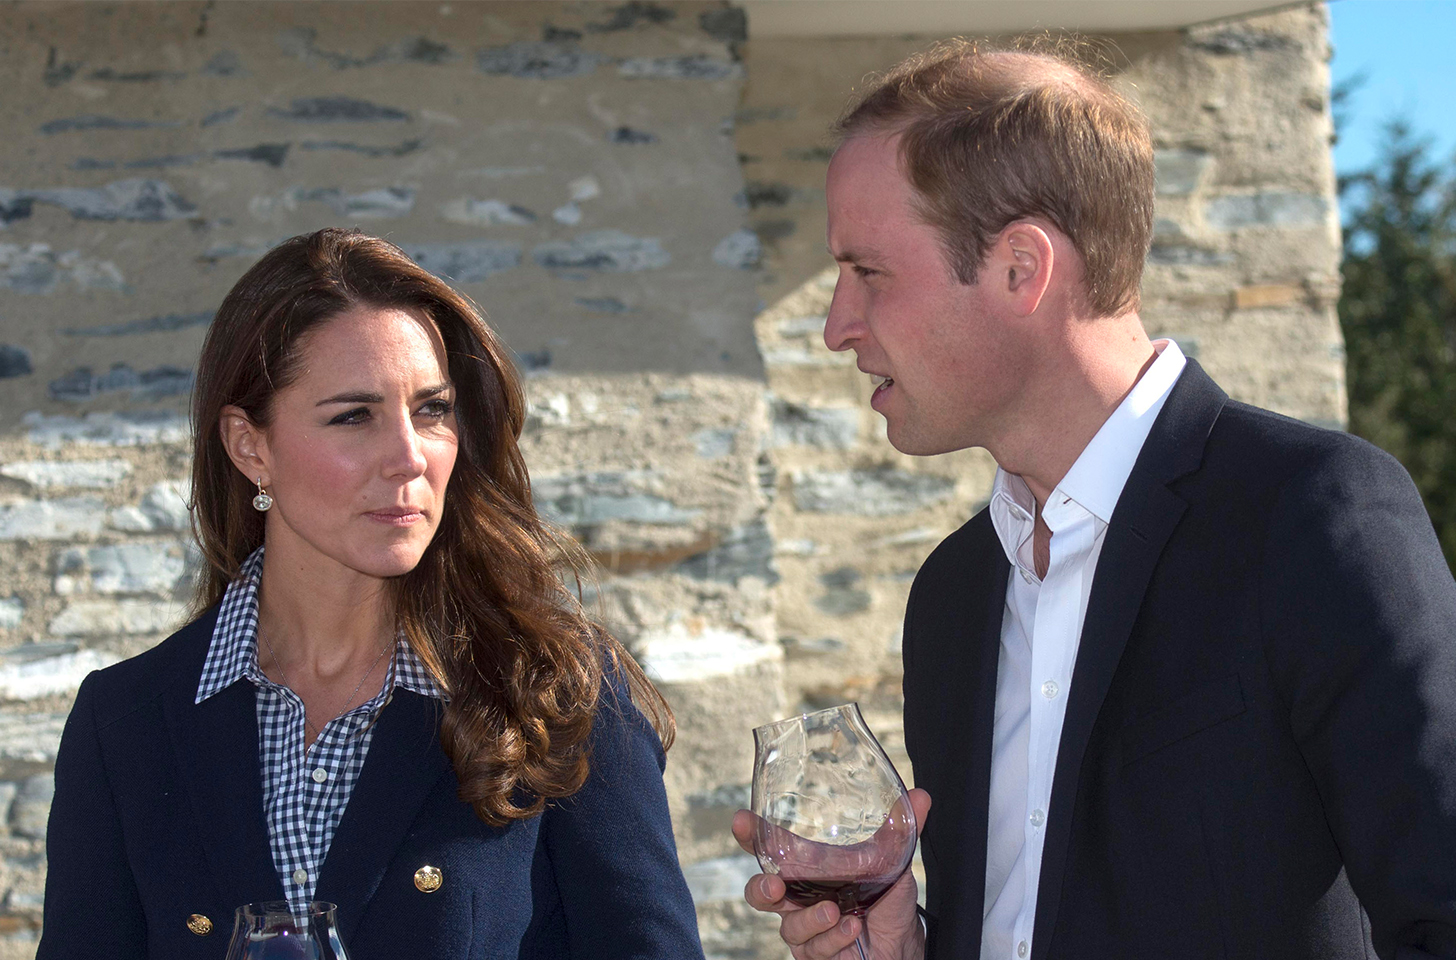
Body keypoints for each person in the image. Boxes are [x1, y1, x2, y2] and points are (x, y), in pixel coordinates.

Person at [733, 39, 1456, 960]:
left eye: (867, 272)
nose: (837, 325)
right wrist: (905, 948)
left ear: (1022, 269)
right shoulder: (953, 594)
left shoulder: (1313, 517)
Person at [38, 228, 706, 960]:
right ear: (249, 446)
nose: (409, 455)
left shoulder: (557, 691)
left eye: (432, 410)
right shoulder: (126, 724)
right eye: (353, 416)